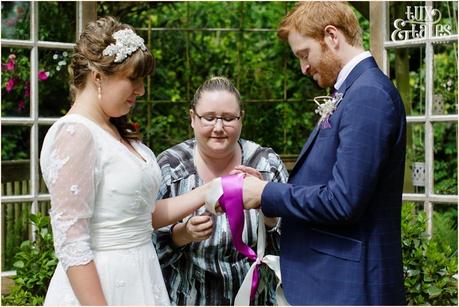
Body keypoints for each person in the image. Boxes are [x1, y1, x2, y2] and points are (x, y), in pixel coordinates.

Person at [239, 2, 406, 305]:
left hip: (352, 287)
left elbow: (343, 202)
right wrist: (268, 188)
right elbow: (331, 181)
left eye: (304, 54)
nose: (304, 67)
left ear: (331, 36)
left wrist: (266, 193)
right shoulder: (353, 92)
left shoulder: (368, 95)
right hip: (333, 282)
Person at [40, 17, 210, 305]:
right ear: (97, 77)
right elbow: (72, 243)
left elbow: (140, 216)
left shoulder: (114, 130)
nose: (141, 90)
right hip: (104, 286)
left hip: (143, 278)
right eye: (133, 79)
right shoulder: (75, 134)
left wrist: (209, 190)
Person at [152, 76, 288, 305]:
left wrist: (268, 210)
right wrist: (182, 235)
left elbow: (296, 237)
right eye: (208, 118)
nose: (218, 128)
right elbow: (143, 242)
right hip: (188, 299)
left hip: (256, 299)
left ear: (241, 118)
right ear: (192, 118)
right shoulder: (169, 166)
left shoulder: (266, 165)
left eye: (228, 118)